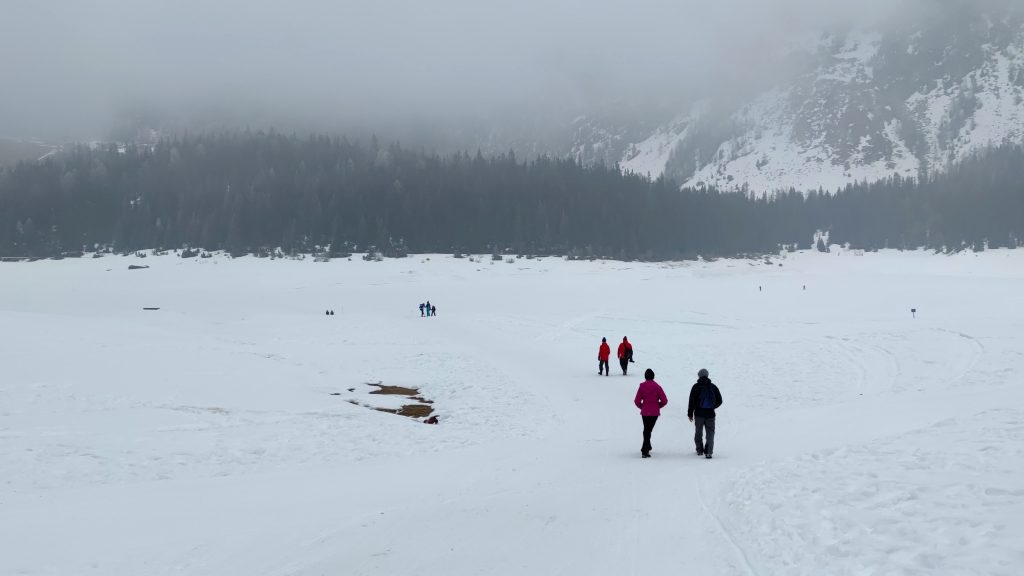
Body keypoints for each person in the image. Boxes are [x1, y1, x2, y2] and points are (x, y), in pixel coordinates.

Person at [687, 368, 723, 459]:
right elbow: (720, 400)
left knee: (698, 432)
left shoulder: (696, 387)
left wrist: (690, 413)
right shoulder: (713, 387)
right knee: (710, 433)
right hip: (710, 414)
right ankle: (709, 452)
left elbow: (691, 401)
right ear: (707, 375)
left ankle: (699, 450)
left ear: (699, 376)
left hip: (699, 414)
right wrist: (712, 407)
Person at [634, 368, 667, 458]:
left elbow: (637, 401)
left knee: (647, 429)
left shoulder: (642, 386)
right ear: (653, 376)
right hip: (654, 413)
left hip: (645, 412)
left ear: (645, 376)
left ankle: (646, 447)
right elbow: (664, 400)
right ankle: (645, 450)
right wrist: (657, 406)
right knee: (648, 430)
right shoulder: (657, 387)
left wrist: (643, 406)